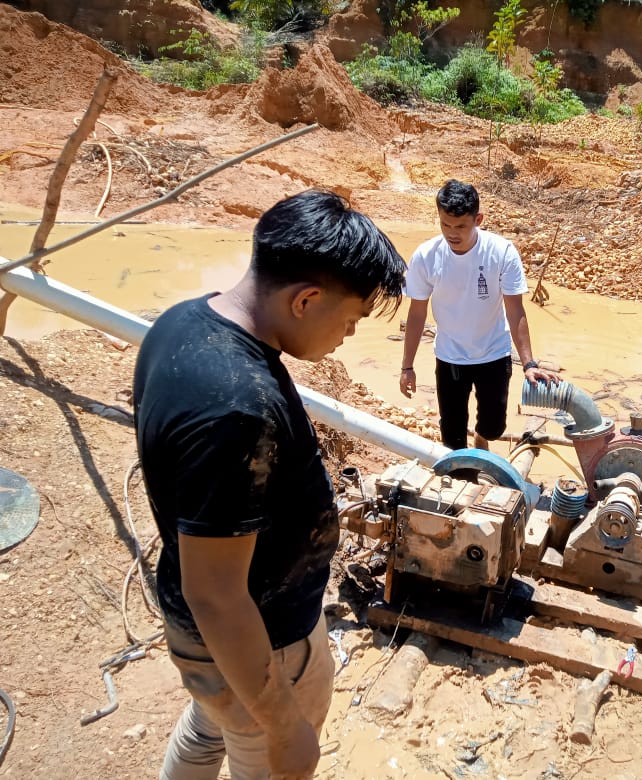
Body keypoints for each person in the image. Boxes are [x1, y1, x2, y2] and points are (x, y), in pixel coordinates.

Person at [133, 190, 406, 780]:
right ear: (306, 299)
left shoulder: (182, 321)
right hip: (259, 644)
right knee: (262, 752)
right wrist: (285, 727)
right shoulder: (237, 407)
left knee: (211, 726)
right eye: (352, 318)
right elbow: (219, 596)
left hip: (210, 641)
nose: (350, 335)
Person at [399, 179, 559, 452]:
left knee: (494, 427)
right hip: (450, 356)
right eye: (445, 224)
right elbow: (416, 313)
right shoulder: (426, 256)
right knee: (452, 435)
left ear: (478, 219)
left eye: (461, 226)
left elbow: (515, 309)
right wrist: (407, 367)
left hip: (494, 354)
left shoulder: (501, 251)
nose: (452, 233)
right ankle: (461, 473)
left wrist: (530, 363)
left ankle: (482, 437)